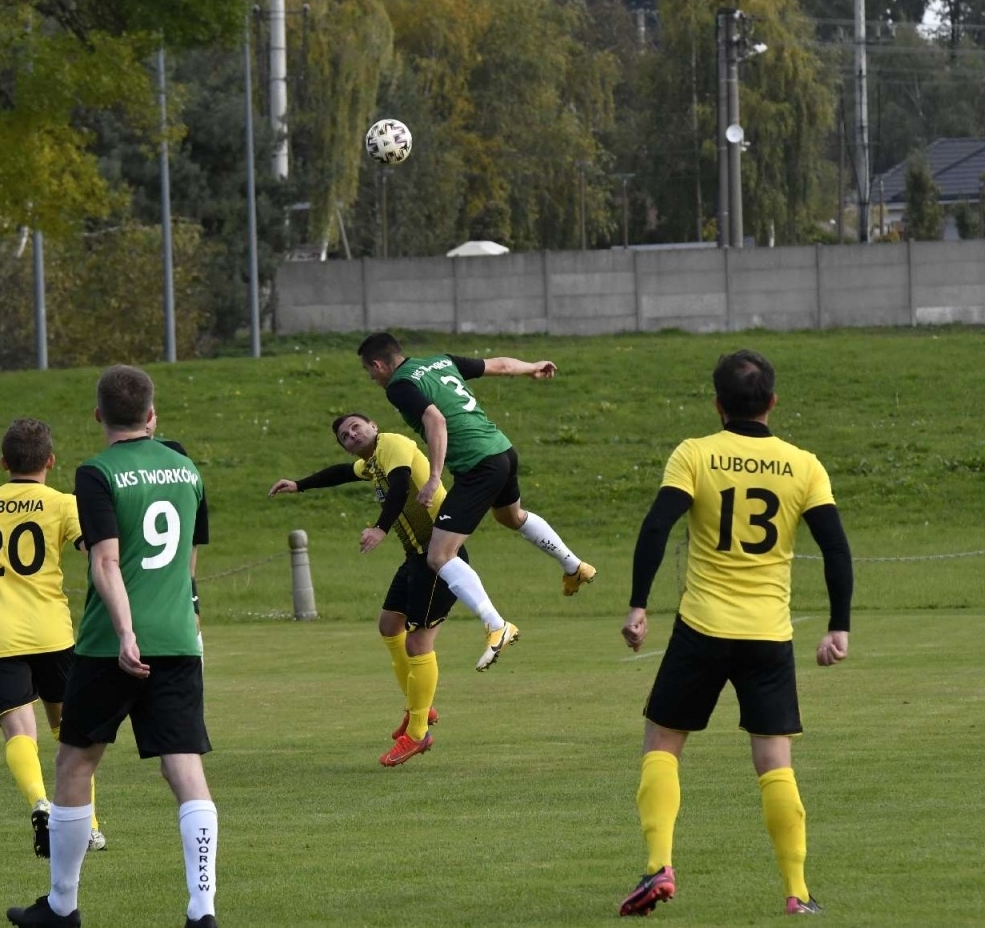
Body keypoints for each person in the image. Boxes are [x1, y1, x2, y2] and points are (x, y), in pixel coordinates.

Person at [617, 350, 853, 918]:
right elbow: (836, 548)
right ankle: (796, 892)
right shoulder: (804, 465)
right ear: (773, 402)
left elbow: (656, 526)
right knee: (775, 762)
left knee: (663, 744)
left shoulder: (696, 453)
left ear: (718, 405)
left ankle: (659, 865)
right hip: (769, 635)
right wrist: (838, 625)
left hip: (702, 628)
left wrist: (638, 605)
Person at [7, 365, 219, 928]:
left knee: (75, 760)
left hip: (110, 645)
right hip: (179, 638)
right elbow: (189, 560)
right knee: (184, 768)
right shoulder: (187, 469)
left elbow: (104, 561)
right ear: (153, 414)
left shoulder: (96, 473)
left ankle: (62, 906)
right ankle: (203, 911)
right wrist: (184, 618)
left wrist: (127, 633)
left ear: (98, 415)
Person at [357, 332, 596, 671]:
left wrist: (436, 477)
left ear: (379, 365)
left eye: (370, 372)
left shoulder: (399, 384)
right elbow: (497, 365)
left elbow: (435, 420)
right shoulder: (439, 361)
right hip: (502, 451)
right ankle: (575, 567)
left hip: (477, 464)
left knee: (439, 556)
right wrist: (532, 367)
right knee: (511, 517)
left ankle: (496, 625)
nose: (373, 379)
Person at [0, 418, 105, 859]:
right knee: (72, 731)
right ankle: (87, 825)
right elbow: (97, 553)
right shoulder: (63, 504)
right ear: (50, 460)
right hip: (51, 631)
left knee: (19, 729)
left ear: (3, 463)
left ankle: (39, 802)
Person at [269, 412, 473, 766]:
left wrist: (380, 528)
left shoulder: (391, 445)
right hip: (416, 558)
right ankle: (417, 706)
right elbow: (341, 474)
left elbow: (399, 487)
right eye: (345, 436)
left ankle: (418, 733)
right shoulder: (372, 463)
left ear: (374, 427)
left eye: (355, 427)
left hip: (442, 556)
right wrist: (300, 484)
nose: (351, 435)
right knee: (389, 625)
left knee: (418, 642)